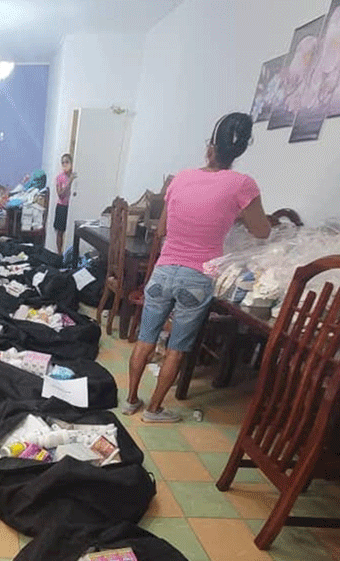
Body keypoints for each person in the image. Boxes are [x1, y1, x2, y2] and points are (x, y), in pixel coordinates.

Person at [124, 113, 271, 423]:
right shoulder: (242, 184)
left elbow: (162, 229)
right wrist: (237, 215)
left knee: (146, 338)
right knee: (176, 347)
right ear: (241, 150)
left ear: (210, 147)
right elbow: (263, 231)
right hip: (198, 278)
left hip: (163, 272)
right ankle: (154, 410)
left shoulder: (181, 178)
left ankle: (131, 399)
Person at [54, 153, 76, 255]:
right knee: (60, 232)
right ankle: (59, 254)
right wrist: (69, 182)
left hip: (71, 207)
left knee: (70, 229)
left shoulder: (75, 176)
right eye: (63, 162)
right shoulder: (60, 177)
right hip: (62, 206)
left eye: (67, 162)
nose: (65, 164)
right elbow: (60, 194)